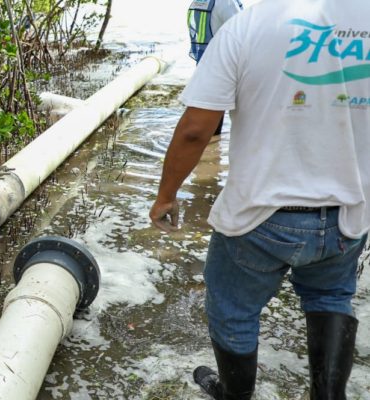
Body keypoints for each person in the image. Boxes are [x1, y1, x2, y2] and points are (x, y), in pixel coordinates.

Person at [151, 1, 370, 398]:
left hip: (260, 215)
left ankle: (235, 394)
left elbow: (196, 130)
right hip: (348, 214)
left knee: (233, 308)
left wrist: (165, 195)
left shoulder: (246, 26)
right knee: (331, 297)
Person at [187, 0, 243, 136]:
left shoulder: (198, 2)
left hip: (204, 61)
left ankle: (212, 150)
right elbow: (242, 33)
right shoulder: (227, 3)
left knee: (207, 116)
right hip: (223, 66)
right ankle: (213, 150)